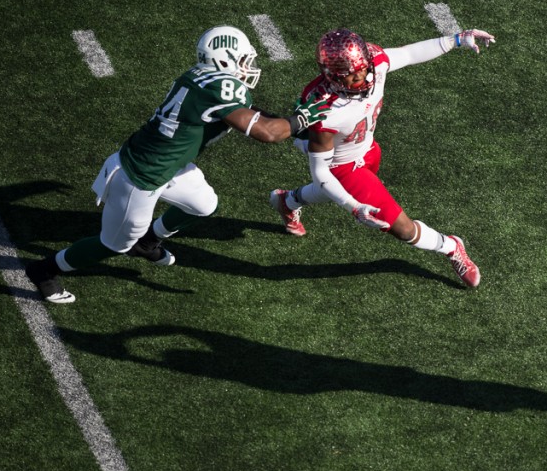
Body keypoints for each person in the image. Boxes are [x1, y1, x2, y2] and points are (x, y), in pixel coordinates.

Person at [25, 25, 328, 304]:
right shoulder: (220, 87)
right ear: (224, 60)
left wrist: (292, 125)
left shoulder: (202, 77)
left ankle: (147, 242)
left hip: (167, 164)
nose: (249, 66)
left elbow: (246, 112)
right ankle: (45, 270)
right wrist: (301, 119)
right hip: (142, 175)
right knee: (112, 244)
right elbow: (265, 132)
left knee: (203, 204)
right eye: (244, 59)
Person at [267, 27, 495, 288]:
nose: (363, 79)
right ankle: (451, 246)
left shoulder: (375, 61)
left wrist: (455, 39)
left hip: (368, 148)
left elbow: (408, 54)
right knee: (403, 228)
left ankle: (288, 200)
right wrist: (353, 206)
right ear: (334, 78)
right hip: (342, 166)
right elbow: (321, 173)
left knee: (351, 187)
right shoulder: (325, 109)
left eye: (363, 69)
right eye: (353, 77)